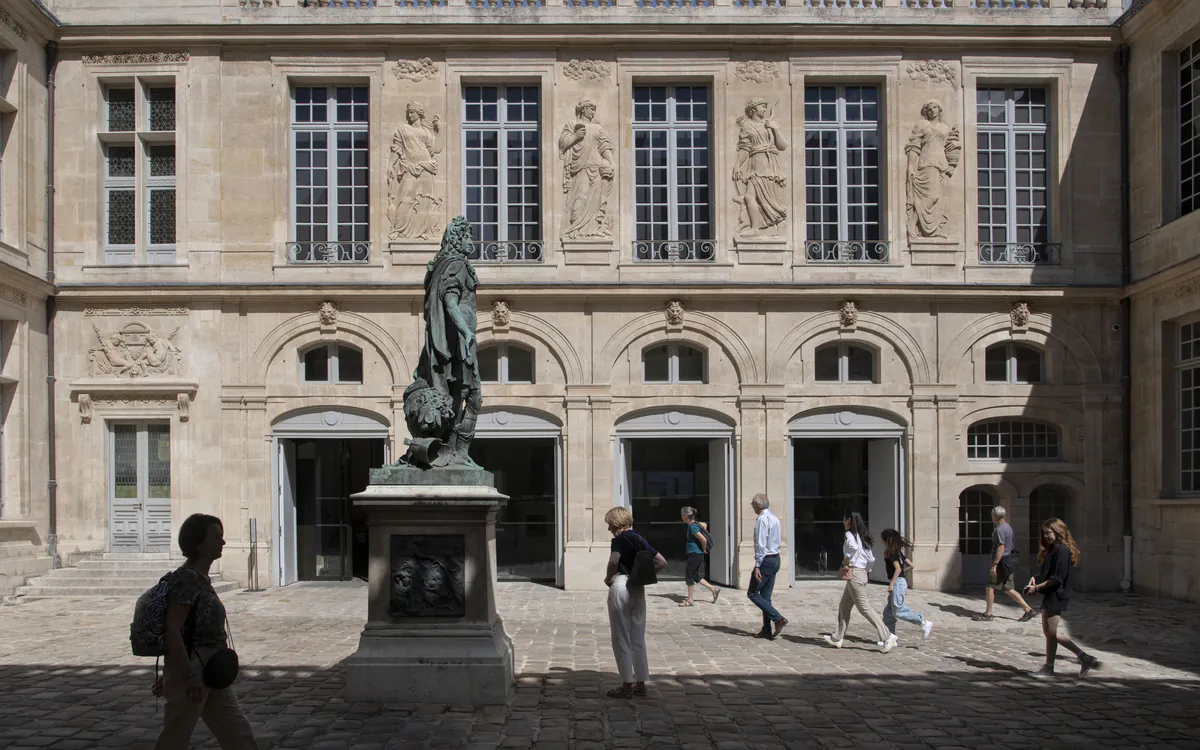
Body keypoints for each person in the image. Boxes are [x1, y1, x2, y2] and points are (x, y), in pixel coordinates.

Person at [153, 514, 259, 750]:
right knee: (174, 739)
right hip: (194, 670)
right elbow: (173, 629)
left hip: (212, 670)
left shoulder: (201, 579)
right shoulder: (187, 579)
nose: (222, 542)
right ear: (198, 542)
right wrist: (184, 675)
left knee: (238, 734)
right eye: (216, 537)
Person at [603, 506, 667, 698]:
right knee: (637, 636)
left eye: (610, 525)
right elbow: (661, 562)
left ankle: (626, 684)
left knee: (621, 636)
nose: (609, 529)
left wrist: (608, 577)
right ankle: (641, 682)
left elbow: (615, 560)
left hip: (621, 584)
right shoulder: (639, 538)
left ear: (616, 524)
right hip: (637, 586)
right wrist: (642, 574)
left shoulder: (620, 540)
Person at [1025, 518, 1100, 679]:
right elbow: (1048, 573)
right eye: (1044, 533)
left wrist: (1036, 588)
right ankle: (1084, 658)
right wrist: (1035, 578)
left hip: (1057, 594)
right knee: (1049, 632)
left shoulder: (1062, 551)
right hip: (1051, 593)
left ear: (1058, 532)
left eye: (1048, 533)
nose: (1046, 536)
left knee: (1050, 633)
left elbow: (1056, 578)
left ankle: (1049, 668)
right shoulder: (1053, 549)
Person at [824, 511, 897, 654]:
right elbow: (871, 559)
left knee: (864, 608)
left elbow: (852, 548)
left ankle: (887, 636)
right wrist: (866, 571)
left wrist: (847, 560)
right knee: (844, 606)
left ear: (849, 520)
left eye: (844, 519)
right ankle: (838, 637)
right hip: (861, 573)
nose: (843, 521)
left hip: (855, 573)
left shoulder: (849, 535)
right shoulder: (863, 538)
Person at [973, 506, 1037, 622]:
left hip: (1002, 562)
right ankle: (1028, 610)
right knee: (1008, 588)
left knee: (990, 586)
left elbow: (1001, 547)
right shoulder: (1008, 527)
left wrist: (994, 565)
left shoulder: (999, 529)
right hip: (1008, 561)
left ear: (995, 515)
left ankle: (988, 614)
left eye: (992, 514)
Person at [879, 529, 933, 642]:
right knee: (889, 612)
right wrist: (902, 574)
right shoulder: (898, 552)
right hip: (900, 581)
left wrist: (892, 583)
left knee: (898, 610)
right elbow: (911, 566)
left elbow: (898, 569)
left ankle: (923, 622)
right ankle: (890, 638)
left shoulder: (891, 553)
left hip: (897, 583)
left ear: (886, 540)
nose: (881, 542)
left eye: (882, 539)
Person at [746, 493, 788, 639]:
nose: (752, 507)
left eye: (752, 504)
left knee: (752, 593)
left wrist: (757, 565)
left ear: (757, 505)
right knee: (765, 596)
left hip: (766, 560)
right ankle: (766, 629)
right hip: (775, 558)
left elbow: (760, 544)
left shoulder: (762, 520)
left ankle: (778, 618)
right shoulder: (775, 518)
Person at [678, 506, 720, 607]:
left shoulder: (693, 526)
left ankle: (690, 600)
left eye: (682, 515)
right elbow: (704, 525)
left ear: (685, 516)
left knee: (689, 575)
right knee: (696, 575)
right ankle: (714, 589)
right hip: (696, 554)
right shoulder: (695, 524)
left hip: (694, 554)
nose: (681, 517)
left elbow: (703, 540)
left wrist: (704, 549)